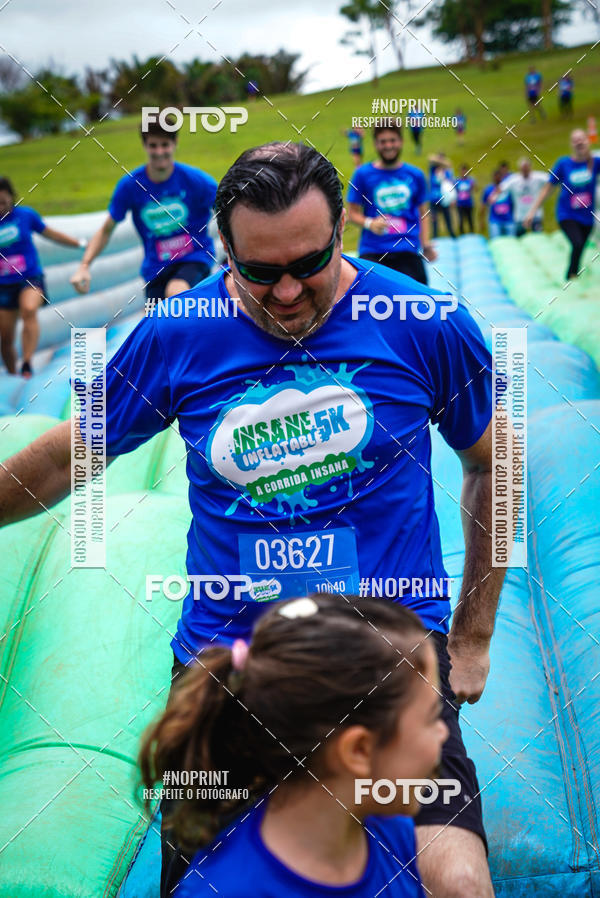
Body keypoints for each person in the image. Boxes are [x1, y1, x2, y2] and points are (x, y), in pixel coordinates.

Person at [1, 141, 503, 898]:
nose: (291, 291)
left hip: (387, 653)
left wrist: (473, 632)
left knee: (457, 885)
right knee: (201, 881)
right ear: (222, 250)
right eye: (261, 272)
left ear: (344, 230)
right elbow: (67, 454)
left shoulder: (423, 323)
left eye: (312, 262)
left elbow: (494, 460)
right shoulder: (181, 330)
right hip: (232, 658)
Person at [141, 594, 448, 896]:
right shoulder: (224, 888)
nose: (444, 734)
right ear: (358, 751)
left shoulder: (395, 836)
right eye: (432, 718)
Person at [70, 117, 217, 305]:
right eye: (153, 145)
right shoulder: (130, 186)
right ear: (145, 146)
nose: (159, 152)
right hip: (156, 268)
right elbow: (106, 230)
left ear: (175, 144)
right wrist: (84, 266)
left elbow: (228, 212)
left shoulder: (196, 181)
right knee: (154, 325)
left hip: (194, 258)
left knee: (175, 294)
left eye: (165, 145)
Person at [0, 176, 84, 378]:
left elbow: (51, 234)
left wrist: (79, 244)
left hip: (30, 277)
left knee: (29, 309)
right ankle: (12, 374)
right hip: (3, 284)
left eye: (3, 202)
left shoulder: (26, 216)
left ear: (12, 198)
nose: (0, 207)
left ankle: (27, 362)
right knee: (5, 336)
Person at [346, 121, 436, 283]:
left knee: (419, 303)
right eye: (383, 142)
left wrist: (426, 245)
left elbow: (424, 213)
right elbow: (351, 213)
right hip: (373, 251)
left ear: (401, 141)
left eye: (392, 140)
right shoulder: (362, 174)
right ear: (375, 144)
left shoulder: (415, 175)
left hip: (407, 250)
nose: (388, 146)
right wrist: (369, 223)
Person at [525, 129, 600, 280]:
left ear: (587, 141)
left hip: (587, 216)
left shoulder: (595, 163)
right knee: (577, 243)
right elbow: (548, 188)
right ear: (571, 144)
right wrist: (532, 211)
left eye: (582, 139)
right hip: (567, 214)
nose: (579, 142)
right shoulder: (564, 164)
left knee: (580, 247)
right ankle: (570, 276)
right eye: (575, 140)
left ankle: (574, 273)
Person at [496, 157, 547, 236]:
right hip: (520, 216)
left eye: (526, 168)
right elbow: (501, 187)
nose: (525, 170)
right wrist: (494, 196)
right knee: (519, 239)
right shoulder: (514, 179)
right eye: (523, 168)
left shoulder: (538, 177)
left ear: (530, 167)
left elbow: (552, 180)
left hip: (535, 215)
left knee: (538, 237)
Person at [428, 153, 456, 239]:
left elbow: (451, 184)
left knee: (448, 219)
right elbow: (430, 158)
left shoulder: (447, 172)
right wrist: (440, 162)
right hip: (434, 199)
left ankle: (452, 236)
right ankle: (435, 237)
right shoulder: (432, 170)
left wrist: (452, 198)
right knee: (434, 220)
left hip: (445, 199)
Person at [481, 169, 515, 238]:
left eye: (499, 176)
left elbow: (514, 203)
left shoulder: (508, 189)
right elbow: (483, 205)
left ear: (502, 177)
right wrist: (481, 221)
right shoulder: (488, 190)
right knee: (495, 242)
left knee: (511, 243)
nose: (497, 178)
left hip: (508, 220)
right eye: (495, 176)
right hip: (494, 221)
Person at [456, 165, 476, 234]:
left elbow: (475, 189)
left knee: (470, 219)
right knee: (461, 220)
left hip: (469, 203)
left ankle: (472, 233)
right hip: (460, 204)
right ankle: (462, 234)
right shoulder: (457, 181)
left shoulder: (470, 180)